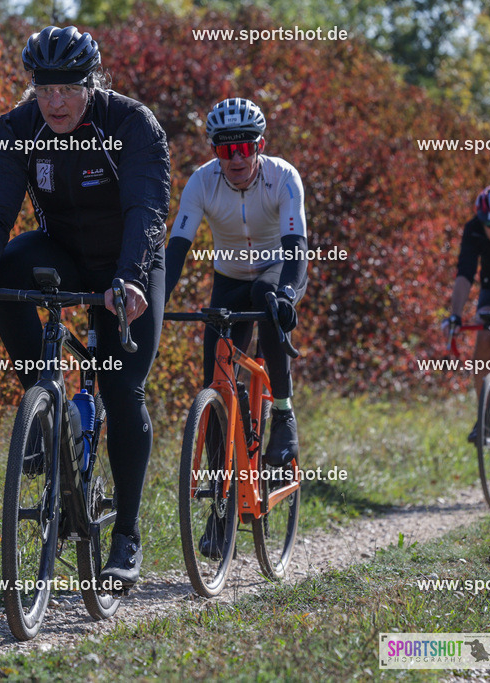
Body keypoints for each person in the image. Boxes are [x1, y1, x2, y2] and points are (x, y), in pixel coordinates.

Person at [0, 26, 171, 591]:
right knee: (10, 265)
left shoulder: (130, 124)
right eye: (44, 88)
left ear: (91, 82)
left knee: (122, 390)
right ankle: (44, 403)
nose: (55, 102)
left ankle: (127, 535)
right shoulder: (16, 129)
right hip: (67, 256)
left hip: (130, 264)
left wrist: (130, 279)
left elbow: (147, 210)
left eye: (68, 88)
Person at [164, 97, 308, 559]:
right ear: (215, 152)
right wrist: (152, 303)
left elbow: (296, 247)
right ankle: (220, 511)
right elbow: (176, 251)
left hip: (273, 271)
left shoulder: (283, 177)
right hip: (227, 280)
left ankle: (282, 414)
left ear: (261, 146)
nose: (238, 159)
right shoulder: (202, 183)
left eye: (247, 148)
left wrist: (287, 296)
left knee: (268, 303)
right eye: (227, 151)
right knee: (215, 387)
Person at [441, 183, 490, 442]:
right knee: (484, 336)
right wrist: (455, 316)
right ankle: (484, 418)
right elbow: (465, 274)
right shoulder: (473, 230)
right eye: (489, 224)